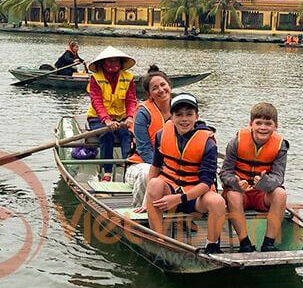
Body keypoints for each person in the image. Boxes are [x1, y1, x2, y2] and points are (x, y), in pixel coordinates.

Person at [145, 93, 226, 254]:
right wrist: (145, 199)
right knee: (154, 184)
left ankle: (212, 246)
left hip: (196, 195)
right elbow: (155, 167)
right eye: (179, 114)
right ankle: (160, 241)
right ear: (172, 117)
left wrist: (179, 198)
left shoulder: (208, 144)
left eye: (189, 114)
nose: (184, 119)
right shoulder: (161, 135)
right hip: (170, 188)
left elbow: (206, 183)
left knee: (217, 201)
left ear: (196, 116)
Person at [219, 102, 288, 253]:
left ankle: (268, 244)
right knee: (233, 195)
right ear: (251, 124)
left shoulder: (281, 146)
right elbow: (224, 173)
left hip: (261, 194)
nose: (263, 127)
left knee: (281, 193)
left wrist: (265, 183)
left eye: (268, 123)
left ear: (275, 126)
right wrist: (235, 182)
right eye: (259, 123)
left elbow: (278, 176)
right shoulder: (236, 142)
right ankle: (245, 243)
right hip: (240, 193)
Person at [86, 46, 137, 181]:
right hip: (97, 118)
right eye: (109, 62)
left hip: (121, 117)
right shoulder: (95, 78)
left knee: (126, 134)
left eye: (116, 61)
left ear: (120, 63)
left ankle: (129, 167)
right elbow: (96, 101)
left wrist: (130, 116)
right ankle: (107, 171)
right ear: (103, 63)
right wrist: (107, 120)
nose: (113, 65)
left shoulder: (128, 78)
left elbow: (131, 100)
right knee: (107, 134)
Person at [126, 65, 172, 207]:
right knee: (148, 174)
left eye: (163, 85)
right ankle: (139, 211)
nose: (161, 90)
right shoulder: (143, 113)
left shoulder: (180, 109)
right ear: (149, 94)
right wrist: (162, 168)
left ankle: (182, 216)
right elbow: (144, 149)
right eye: (155, 88)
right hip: (140, 165)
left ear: (169, 85)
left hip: (171, 165)